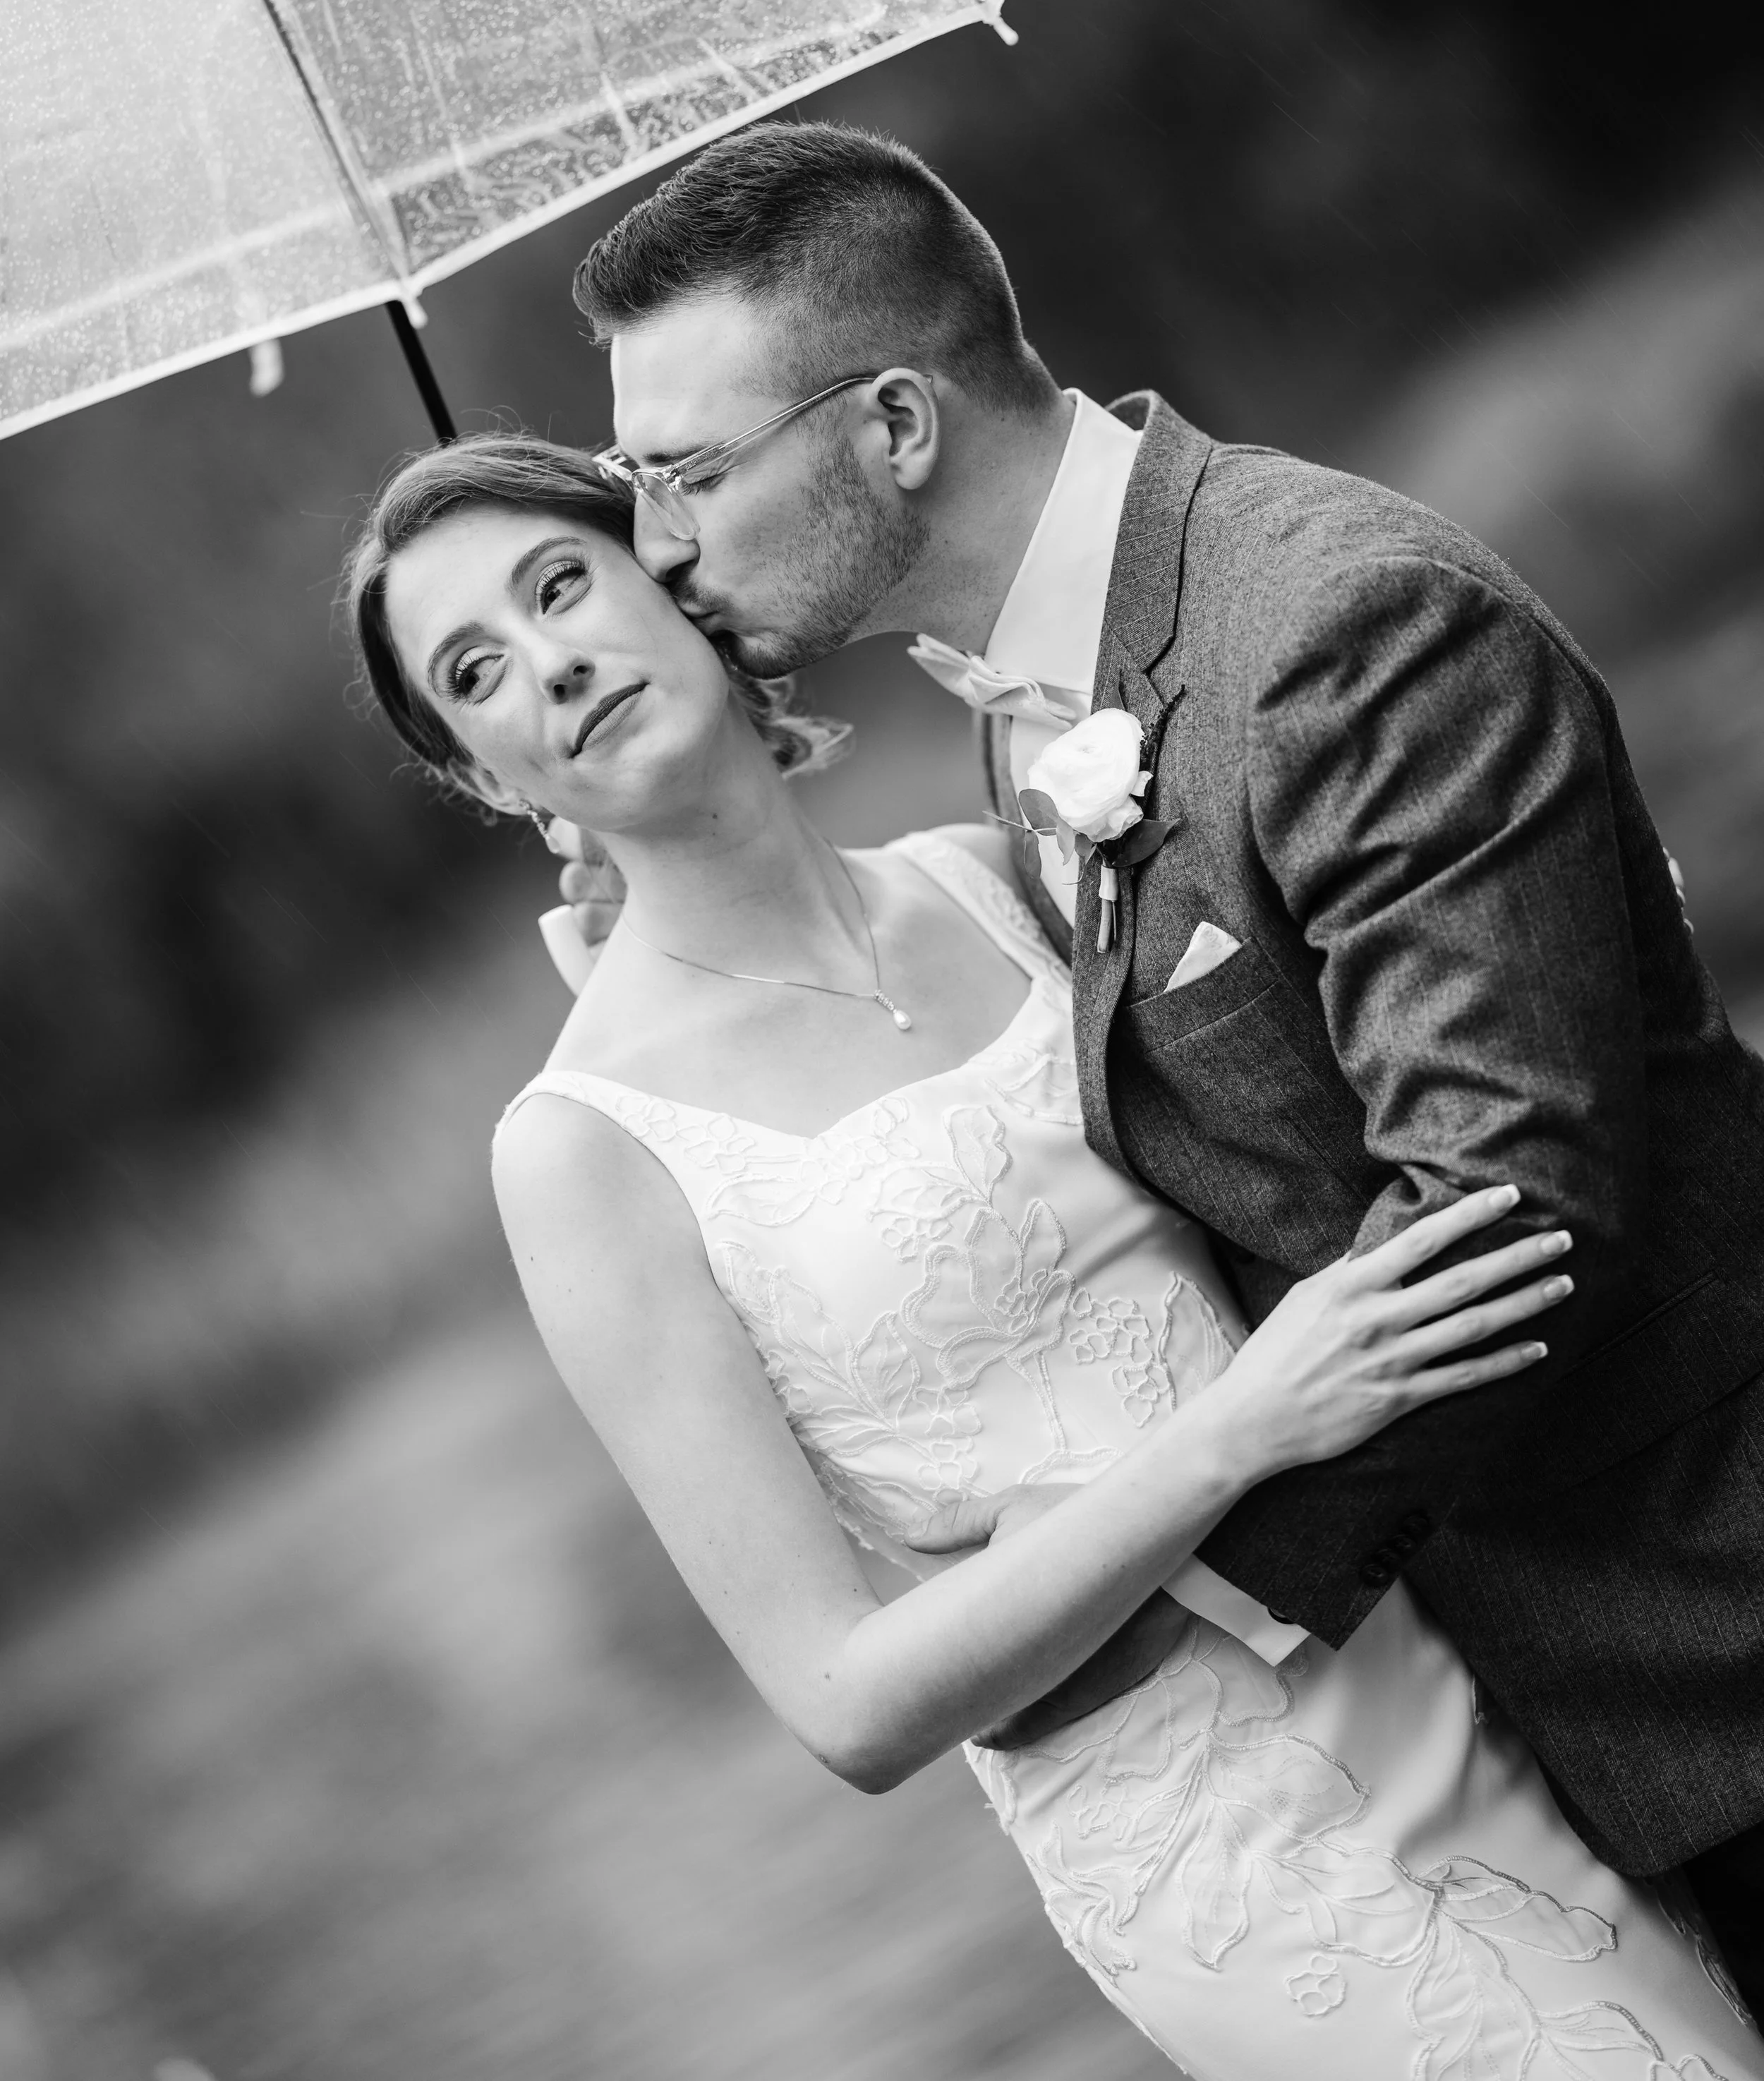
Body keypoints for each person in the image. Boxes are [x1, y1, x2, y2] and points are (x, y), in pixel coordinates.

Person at [344, 434, 1757, 2075]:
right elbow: (843, 1697)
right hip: (1217, 1824)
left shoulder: (984, 871)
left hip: (1465, 1635)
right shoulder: (579, 1149)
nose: (547, 662)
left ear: (674, 579)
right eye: (473, 672)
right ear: (489, 780)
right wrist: (1237, 1428)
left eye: (558, 585)